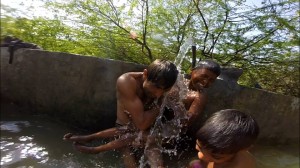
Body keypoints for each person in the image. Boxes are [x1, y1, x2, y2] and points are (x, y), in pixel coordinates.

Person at [63, 59, 178, 168]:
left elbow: (143, 127)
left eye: (164, 90)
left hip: (146, 133)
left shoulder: (164, 88)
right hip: (123, 130)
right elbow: (141, 124)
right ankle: (95, 147)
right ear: (145, 74)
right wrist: (162, 101)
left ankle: (92, 142)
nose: (158, 93)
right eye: (156, 87)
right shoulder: (127, 82)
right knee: (131, 161)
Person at [188, 109, 260, 168]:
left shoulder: (240, 165)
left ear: (242, 149)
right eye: (199, 147)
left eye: (216, 157)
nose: (201, 156)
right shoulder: (228, 149)